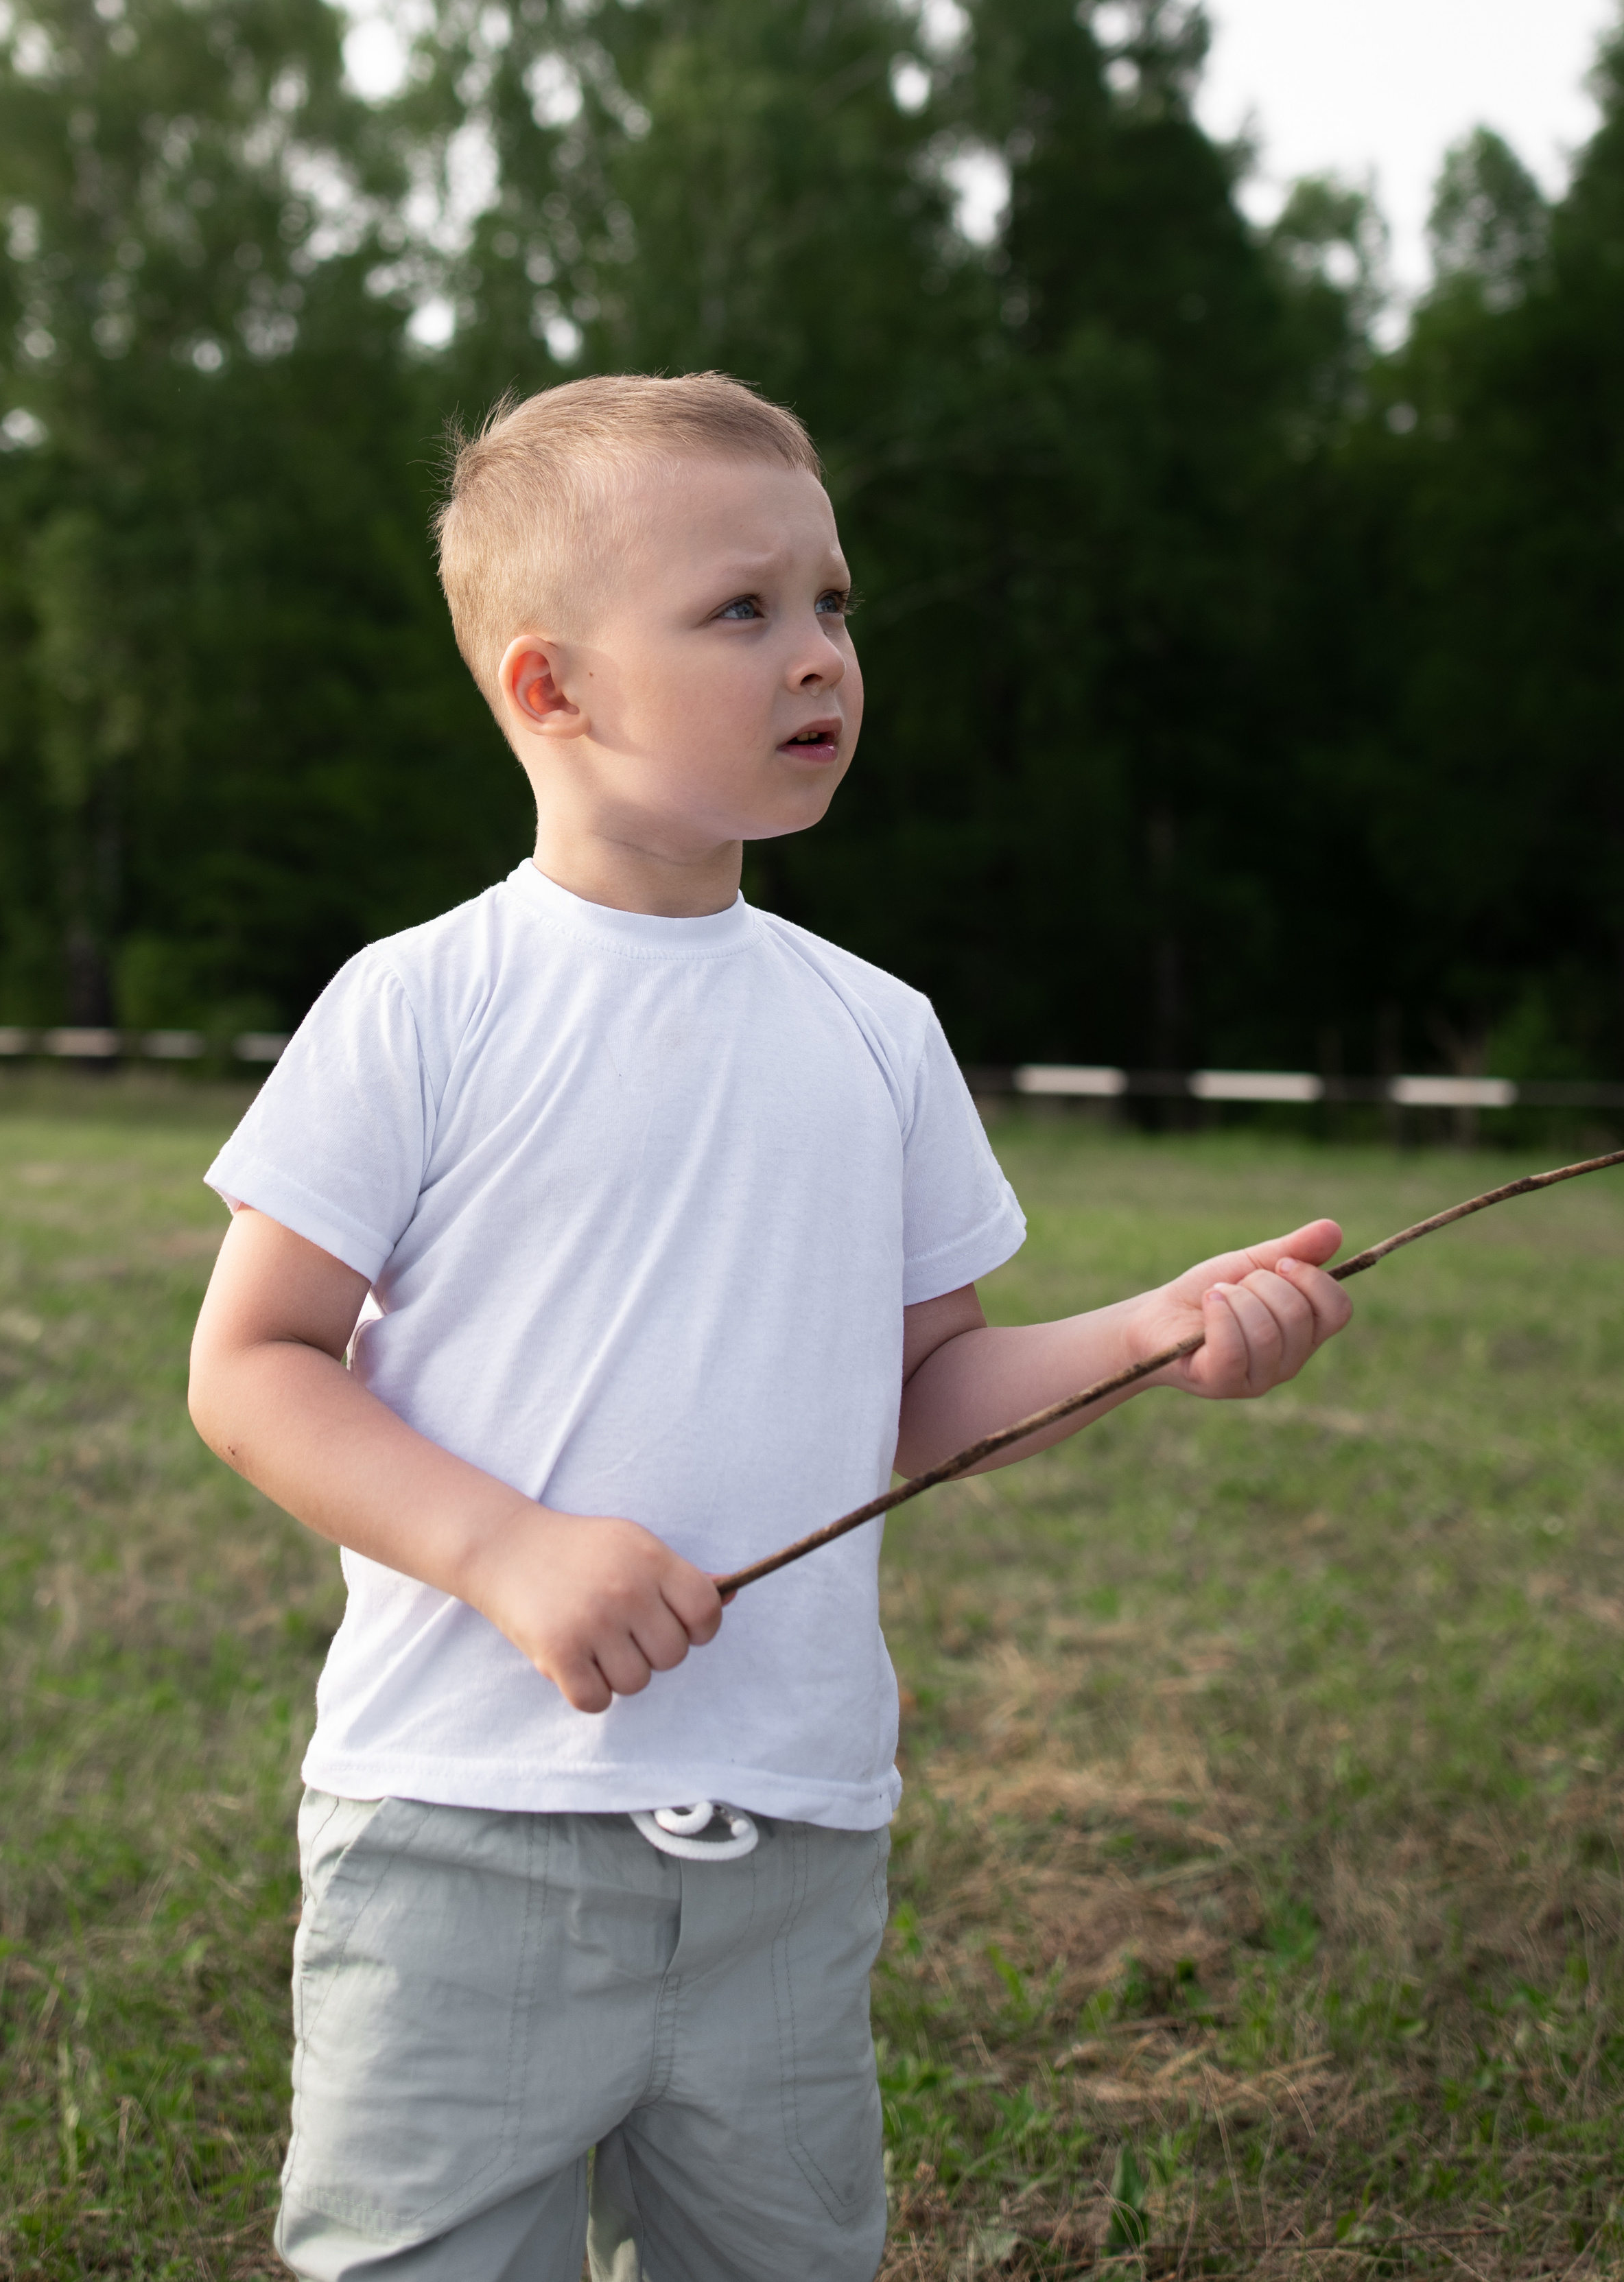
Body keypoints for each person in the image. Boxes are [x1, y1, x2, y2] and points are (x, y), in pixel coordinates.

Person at [187, 371, 1352, 2282]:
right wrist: (511, 1550)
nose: (818, 653)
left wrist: (1159, 1330)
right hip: (471, 1824)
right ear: (550, 689)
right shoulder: (421, 1004)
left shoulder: (874, 1031)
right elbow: (251, 1367)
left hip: (792, 1837)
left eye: (834, 605)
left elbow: (937, 1392)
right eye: (744, 611)